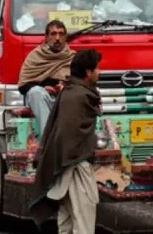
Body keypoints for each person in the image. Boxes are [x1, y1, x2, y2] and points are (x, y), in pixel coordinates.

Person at [29, 49, 103, 234]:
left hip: (65, 164)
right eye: (98, 68)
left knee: (67, 219)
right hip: (75, 164)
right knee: (84, 218)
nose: (100, 72)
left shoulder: (71, 92)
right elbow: (70, 133)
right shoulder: (79, 96)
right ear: (88, 72)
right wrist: (74, 159)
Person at [17, 20, 75, 136]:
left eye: (61, 34)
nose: (57, 38)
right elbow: (23, 86)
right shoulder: (35, 56)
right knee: (36, 92)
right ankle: (48, 140)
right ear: (47, 37)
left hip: (63, 100)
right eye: (53, 34)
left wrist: (65, 86)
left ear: (65, 37)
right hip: (41, 100)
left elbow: (81, 82)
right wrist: (43, 88)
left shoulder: (72, 57)